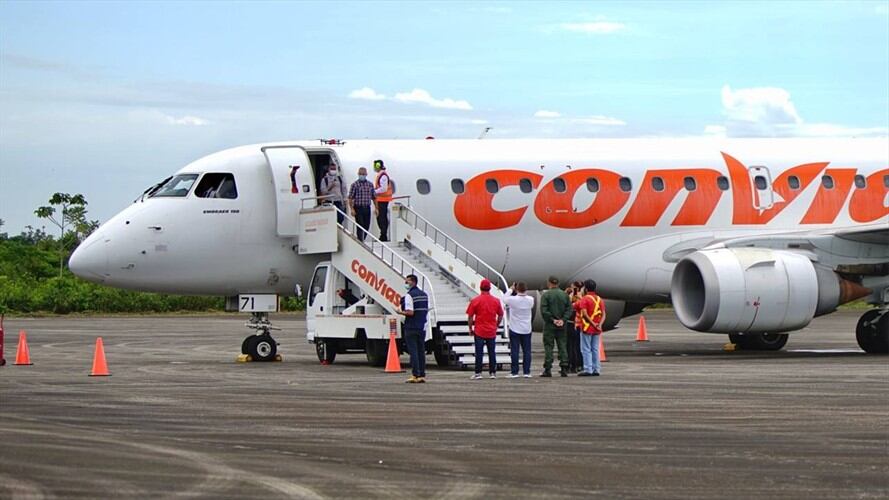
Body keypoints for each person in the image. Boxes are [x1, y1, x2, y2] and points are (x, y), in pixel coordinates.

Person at [466, 279, 504, 380]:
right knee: (492, 352)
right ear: (490, 288)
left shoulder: (475, 300)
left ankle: (478, 373)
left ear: (480, 288)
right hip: (491, 330)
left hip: (479, 330)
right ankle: (492, 372)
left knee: (479, 352)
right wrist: (496, 325)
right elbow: (501, 314)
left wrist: (470, 328)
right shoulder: (496, 300)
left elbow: (470, 316)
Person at [397, 274, 429, 383]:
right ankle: (422, 375)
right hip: (422, 326)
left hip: (411, 326)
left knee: (413, 352)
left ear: (413, 282)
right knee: (421, 351)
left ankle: (415, 374)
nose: (406, 284)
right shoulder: (424, 295)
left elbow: (410, 312)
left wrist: (400, 312)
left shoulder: (409, 296)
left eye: (407, 282)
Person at [539, 276, 573, 377]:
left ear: (549, 283)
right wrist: (563, 319)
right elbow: (569, 309)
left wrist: (553, 320)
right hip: (562, 325)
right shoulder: (564, 295)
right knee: (562, 345)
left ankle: (548, 368)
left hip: (550, 325)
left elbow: (544, 311)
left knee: (549, 346)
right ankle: (564, 367)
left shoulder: (546, 295)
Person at [575, 279, 606, 377]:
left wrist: (592, 323)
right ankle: (596, 369)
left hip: (587, 327)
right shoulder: (599, 299)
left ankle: (588, 369)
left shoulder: (584, 299)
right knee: (595, 349)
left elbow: (584, 313)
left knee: (586, 349)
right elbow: (604, 314)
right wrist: (599, 324)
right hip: (597, 328)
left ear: (585, 288)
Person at [503, 282, 534, 378]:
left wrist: (510, 289)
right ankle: (527, 372)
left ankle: (514, 372)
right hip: (526, 328)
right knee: (527, 351)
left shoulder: (513, 300)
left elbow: (504, 299)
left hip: (515, 328)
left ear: (517, 289)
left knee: (515, 351)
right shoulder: (531, 299)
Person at [348, 167, 375, 242]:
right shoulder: (354, 185)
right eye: (360, 174)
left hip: (367, 208)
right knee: (360, 225)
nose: (362, 175)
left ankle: (362, 239)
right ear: (358, 174)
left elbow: (374, 197)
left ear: (366, 174)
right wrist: (352, 209)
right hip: (358, 208)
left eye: (363, 174)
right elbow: (350, 198)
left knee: (366, 225)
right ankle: (360, 240)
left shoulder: (370, 185)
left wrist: (376, 208)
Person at [373, 159, 393, 241]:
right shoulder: (381, 175)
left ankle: (383, 235)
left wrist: (374, 191)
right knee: (381, 217)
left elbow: (384, 188)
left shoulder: (383, 176)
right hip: (380, 199)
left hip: (383, 200)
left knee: (381, 217)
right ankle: (383, 234)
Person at [566, 281, 584, 373]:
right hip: (579, 324)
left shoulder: (574, 296)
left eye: (572, 287)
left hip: (573, 323)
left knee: (572, 346)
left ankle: (573, 365)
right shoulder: (583, 296)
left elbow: (571, 306)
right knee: (577, 346)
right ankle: (579, 364)